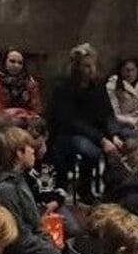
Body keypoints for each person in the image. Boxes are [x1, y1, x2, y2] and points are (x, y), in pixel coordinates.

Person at [0, 126, 63, 254]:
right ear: (19, 154)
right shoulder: (4, 190)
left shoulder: (18, 179)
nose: (33, 151)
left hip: (30, 247)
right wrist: (50, 250)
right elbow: (18, 239)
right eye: (29, 148)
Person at [47, 44, 128, 198]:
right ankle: (84, 188)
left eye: (93, 65)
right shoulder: (63, 87)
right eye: (86, 66)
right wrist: (102, 139)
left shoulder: (98, 85)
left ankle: (114, 189)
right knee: (90, 151)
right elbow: (70, 121)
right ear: (76, 67)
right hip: (69, 133)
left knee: (129, 140)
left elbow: (107, 114)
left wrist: (114, 134)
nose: (92, 70)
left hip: (96, 131)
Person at [0, 47, 43, 125]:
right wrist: (14, 115)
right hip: (3, 120)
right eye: (12, 61)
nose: (16, 65)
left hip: (26, 119)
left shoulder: (30, 82)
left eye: (20, 63)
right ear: (4, 63)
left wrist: (24, 116)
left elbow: (37, 109)